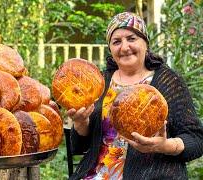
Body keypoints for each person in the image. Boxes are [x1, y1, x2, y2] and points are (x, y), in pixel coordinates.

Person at [67, 12, 203, 180]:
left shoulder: (168, 81)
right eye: (117, 41)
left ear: (145, 43)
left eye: (131, 38)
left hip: (152, 176)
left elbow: (196, 139)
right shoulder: (100, 82)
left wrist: (165, 146)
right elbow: (79, 145)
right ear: (110, 48)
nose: (124, 47)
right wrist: (81, 123)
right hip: (98, 175)